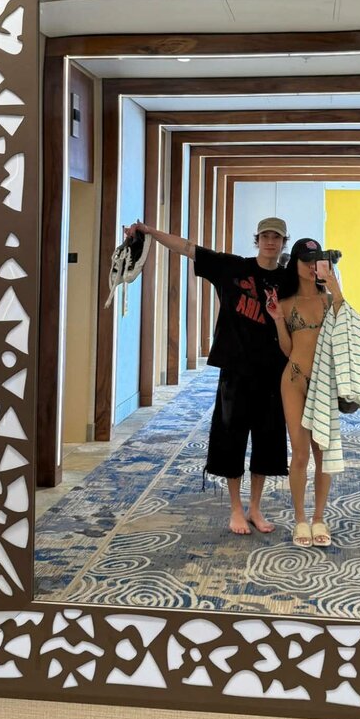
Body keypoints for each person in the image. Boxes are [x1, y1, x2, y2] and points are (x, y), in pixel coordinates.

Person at [124, 216, 291, 535]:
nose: (271, 242)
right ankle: (236, 509)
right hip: (235, 371)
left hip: (273, 372)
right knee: (231, 438)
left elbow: (320, 305)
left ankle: (256, 508)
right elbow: (188, 248)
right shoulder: (232, 267)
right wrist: (149, 232)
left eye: (277, 237)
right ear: (257, 239)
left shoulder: (288, 280)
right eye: (265, 236)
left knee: (267, 442)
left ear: (284, 242)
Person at [266, 238, 360, 548]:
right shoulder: (286, 303)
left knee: (324, 453)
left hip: (324, 382)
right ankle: (300, 519)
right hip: (294, 380)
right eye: (306, 261)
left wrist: (337, 290)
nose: (311, 267)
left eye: (317, 262)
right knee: (300, 453)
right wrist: (278, 319)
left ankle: (319, 517)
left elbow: (348, 324)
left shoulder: (329, 300)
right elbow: (287, 349)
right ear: (295, 263)